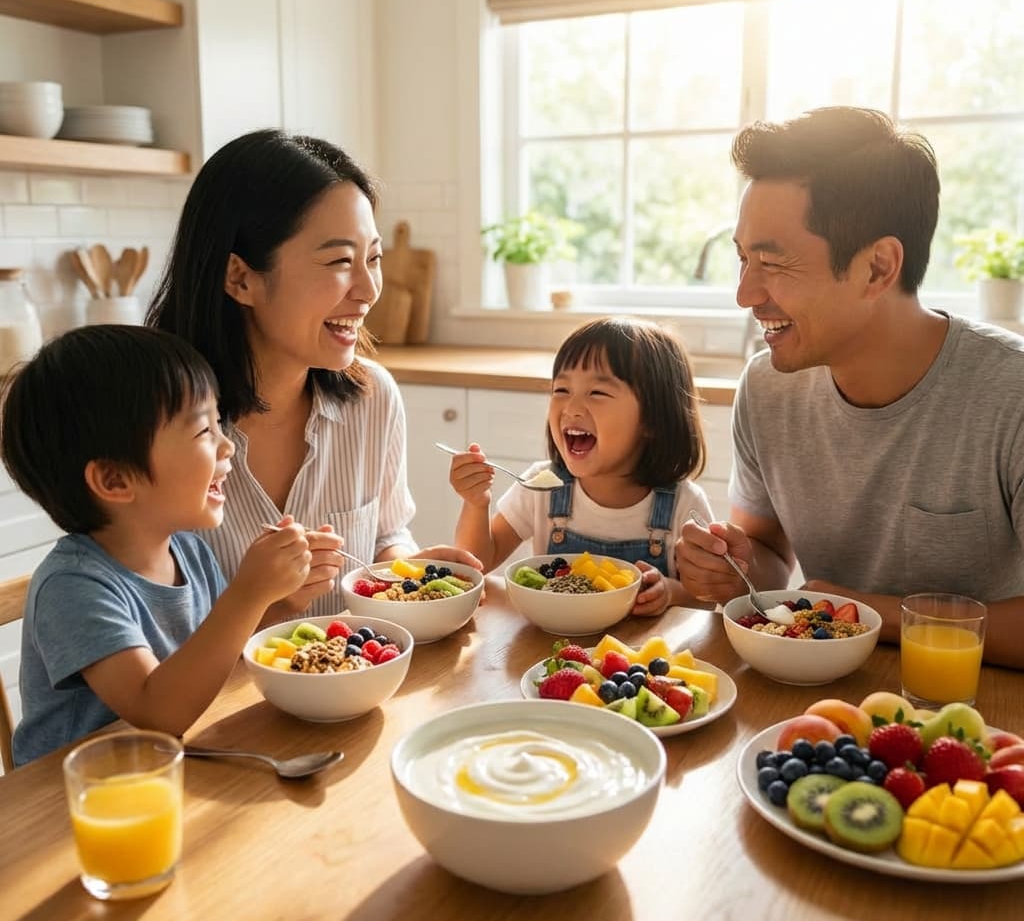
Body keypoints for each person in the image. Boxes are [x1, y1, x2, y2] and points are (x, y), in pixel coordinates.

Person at [677, 106, 1024, 669]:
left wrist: (867, 612)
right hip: (813, 695)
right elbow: (766, 553)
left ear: (878, 268)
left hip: (976, 702)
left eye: (771, 262)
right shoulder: (767, 388)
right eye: (742, 259)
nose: (745, 294)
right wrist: (733, 568)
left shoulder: (1011, 394)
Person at [146, 129, 479, 621]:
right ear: (240, 278)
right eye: (340, 261)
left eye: (373, 259)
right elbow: (155, 633)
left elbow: (386, 536)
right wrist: (273, 605)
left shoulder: (372, 398)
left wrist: (408, 574)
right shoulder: (154, 427)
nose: (369, 290)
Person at [1, 326, 311, 766]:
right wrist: (249, 593)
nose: (227, 445)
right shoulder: (72, 587)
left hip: (164, 765)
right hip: (75, 794)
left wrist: (280, 600)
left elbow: (214, 653)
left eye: (218, 423)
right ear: (115, 480)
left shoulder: (189, 551)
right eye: (203, 430)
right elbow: (156, 711)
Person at [449, 317, 712, 615]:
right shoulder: (540, 486)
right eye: (561, 390)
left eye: (597, 392)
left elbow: (705, 596)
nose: (571, 408)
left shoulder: (684, 505)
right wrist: (476, 503)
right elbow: (477, 562)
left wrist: (670, 592)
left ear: (653, 419)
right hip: (550, 642)